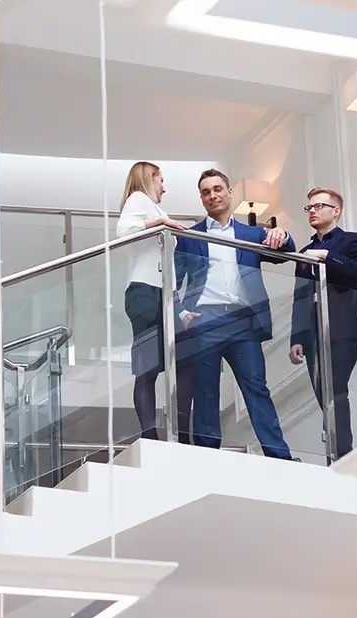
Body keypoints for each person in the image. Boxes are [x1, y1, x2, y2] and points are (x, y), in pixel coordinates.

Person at [174, 168, 296, 459]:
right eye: (206, 192)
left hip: (244, 322)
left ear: (229, 193)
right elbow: (171, 283)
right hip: (205, 321)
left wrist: (282, 233)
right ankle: (207, 459)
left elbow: (287, 251)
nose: (212, 195)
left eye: (217, 189)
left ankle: (280, 458)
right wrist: (182, 314)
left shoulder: (252, 233)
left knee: (256, 389)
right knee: (205, 393)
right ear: (201, 199)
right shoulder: (190, 237)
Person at [288, 187, 357, 463]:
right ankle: (335, 449)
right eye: (309, 207)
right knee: (324, 394)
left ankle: (342, 455)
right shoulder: (304, 252)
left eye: (318, 206)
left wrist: (326, 257)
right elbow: (300, 297)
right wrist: (296, 338)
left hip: (343, 329)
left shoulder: (352, 240)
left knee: (335, 388)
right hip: (313, 333)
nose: (312, 211)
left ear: (335, 210)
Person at [115, 162, 190, 440]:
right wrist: (158, 223)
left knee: (181, 361)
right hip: (144, 292)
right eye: (161, 180)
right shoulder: (139, 199)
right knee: (147, 368)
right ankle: (150, 436)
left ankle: (178, 432)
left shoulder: (152, 205)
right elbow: (123, 232)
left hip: (161, 293)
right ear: (149, 179)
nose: (165, 187)